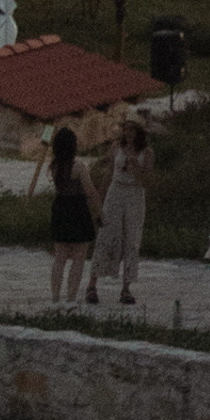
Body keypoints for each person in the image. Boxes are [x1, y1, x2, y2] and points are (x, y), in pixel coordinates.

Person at [88, 117, 154, 306]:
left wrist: (136, 169)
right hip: (116, 191)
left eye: (132, 130)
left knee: (132, 239)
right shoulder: (117, 148)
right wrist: (99, 202)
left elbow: (148, 181)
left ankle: (126, 287)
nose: (128, 134)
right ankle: (92, 284)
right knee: (106, 235)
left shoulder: (147, 153)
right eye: (126, 130)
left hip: (134, 193)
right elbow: (109, 173)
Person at [45, 125, 96, 304]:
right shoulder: (79, 167)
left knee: (59, 258)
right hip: (78, 210)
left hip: (60, 209)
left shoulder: (54, 167)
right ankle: (71, 297)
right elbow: (89, 191)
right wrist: (99, 213)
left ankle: (55, 297)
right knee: (79, 258)